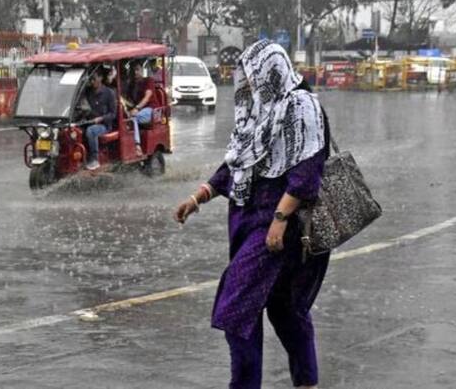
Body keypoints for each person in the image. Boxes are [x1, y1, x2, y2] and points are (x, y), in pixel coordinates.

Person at [174, 40, 330, 389]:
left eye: (251, 75)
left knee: (236, 308)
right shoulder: (258, 114)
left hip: (278, 227)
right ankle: (306, 382)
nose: (245, 84)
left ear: (269, 72)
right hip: (250, 223)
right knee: (284, 309)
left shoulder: (300, 107)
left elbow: (308, 171)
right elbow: (238, 166)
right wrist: (199, 196)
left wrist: (279, 220)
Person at [82, 71, 116, 171]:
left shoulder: (109, 93)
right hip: (88, 122)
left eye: (94, 79)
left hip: (104, 126)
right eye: (91, 79)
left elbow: (113, 114)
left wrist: (101, 118)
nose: (92, 82)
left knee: (91, 131)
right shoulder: (88, 92)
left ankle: (94, 159)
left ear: (100, 78)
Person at [125, 62, 157, 156]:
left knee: (134, 117)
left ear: (142, 70)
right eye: (133, 70)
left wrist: (137, 108)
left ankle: (137, 146)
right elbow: (129, 101)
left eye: (137, 69)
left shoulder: (148, 81)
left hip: (150, 109)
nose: (135, 72)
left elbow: (147, 97)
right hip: (137, 109)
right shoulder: (131, 85)